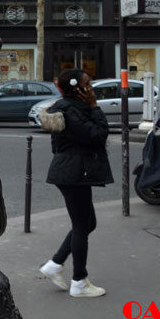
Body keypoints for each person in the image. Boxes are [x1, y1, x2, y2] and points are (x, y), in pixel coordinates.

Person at [39, 68, 112, 298]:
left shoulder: (68, 108)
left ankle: (54, 265)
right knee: (82, 226)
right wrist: (94, 107)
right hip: (74, 173)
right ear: (76, 88)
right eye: (87, 84)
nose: (91, 88)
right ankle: (79, 281)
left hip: (72, 172)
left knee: (88, 223)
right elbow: (98, 134)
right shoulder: (71, 111)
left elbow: (57, 145)